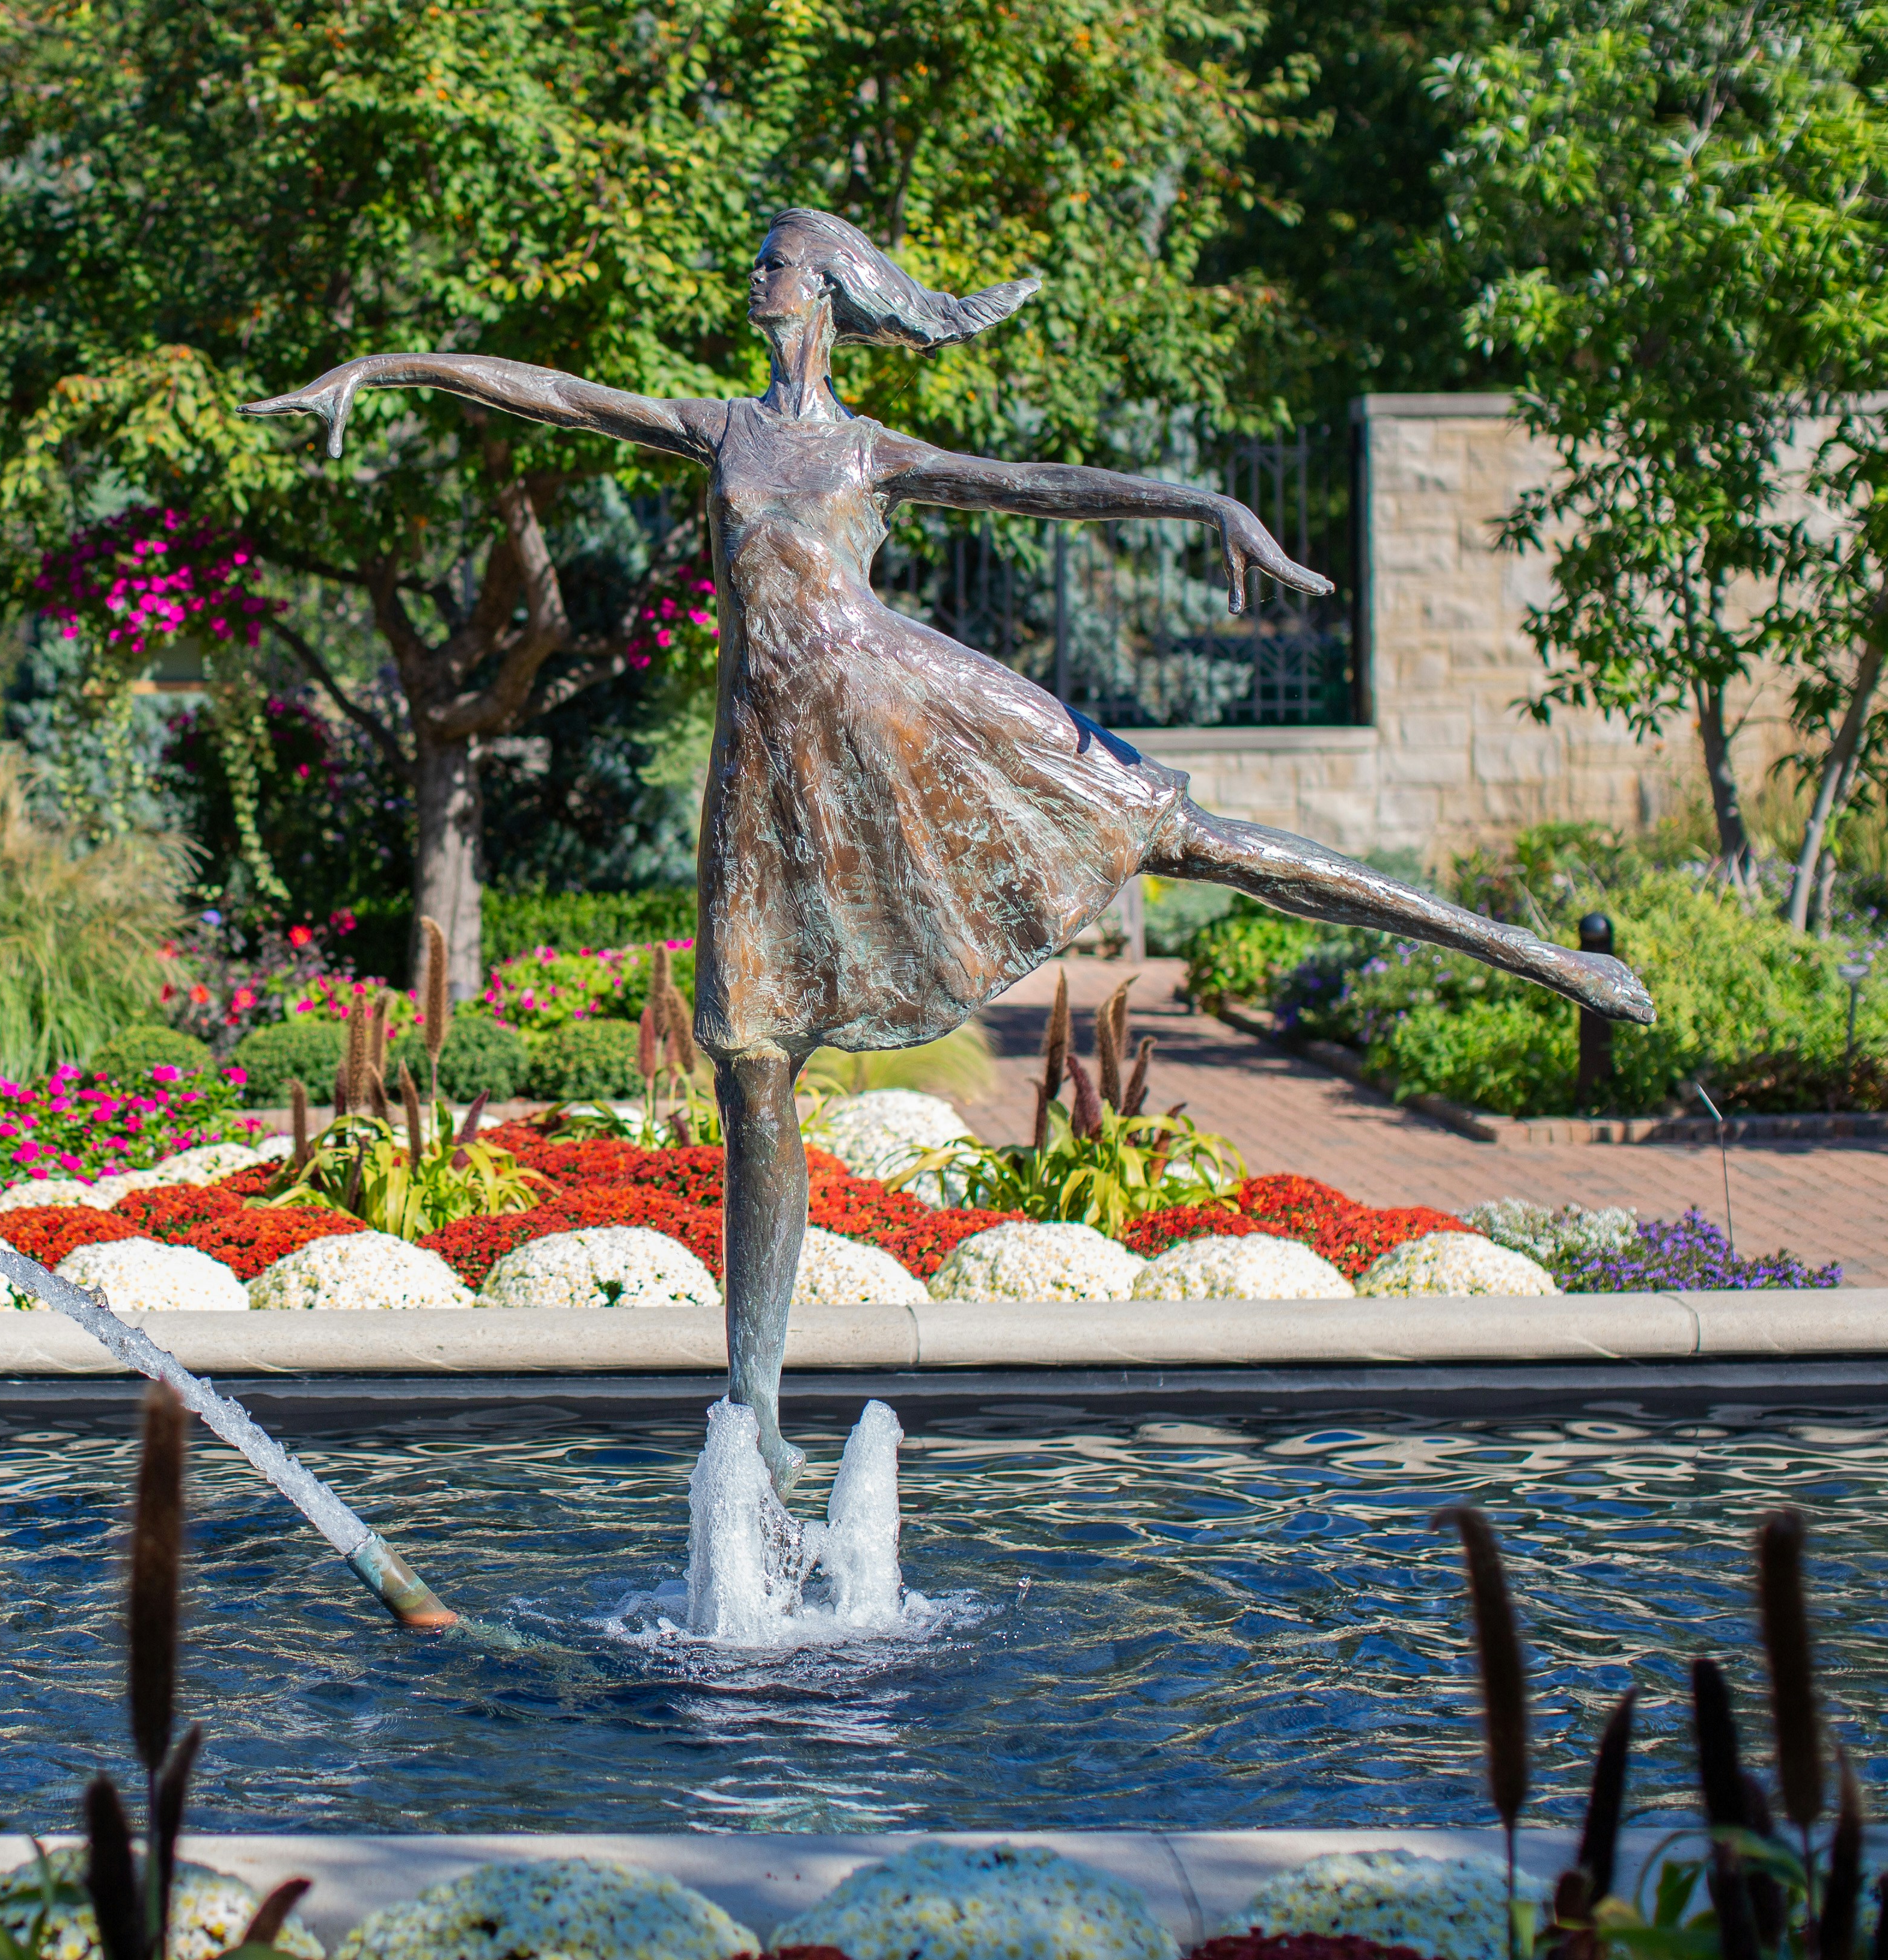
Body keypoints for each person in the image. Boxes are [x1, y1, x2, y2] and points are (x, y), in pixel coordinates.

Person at [245, 206, 1653, 1492]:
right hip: (777, 776)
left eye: (777, 258)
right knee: (751, 1072)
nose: (756, 271)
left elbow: (1036, 484)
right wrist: (380, 367)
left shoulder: (865, 450)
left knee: (1189, 839)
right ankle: (756, 1406)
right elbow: (545, 390)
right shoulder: (720, 427)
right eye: (760, 254)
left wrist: (1206, 504)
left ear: (832, 293)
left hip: (911, 717)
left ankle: (1537, 960)